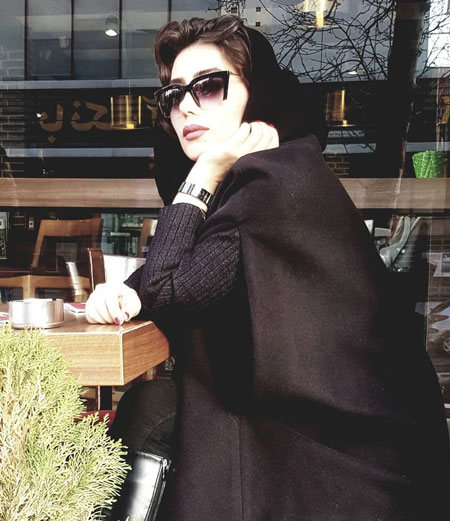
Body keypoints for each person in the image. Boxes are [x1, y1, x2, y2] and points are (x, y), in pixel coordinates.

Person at [86, 14, 450, 521]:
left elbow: (170, 286)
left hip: (343, 461)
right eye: (174, 94)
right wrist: (124, 290)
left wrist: (204, 172)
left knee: (149, 412)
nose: (186, 105)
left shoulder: (269, 186)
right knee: (152, 407)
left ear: (254, 94)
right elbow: (185, 274)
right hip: (331, 436)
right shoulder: (265, 178)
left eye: (209, 86)